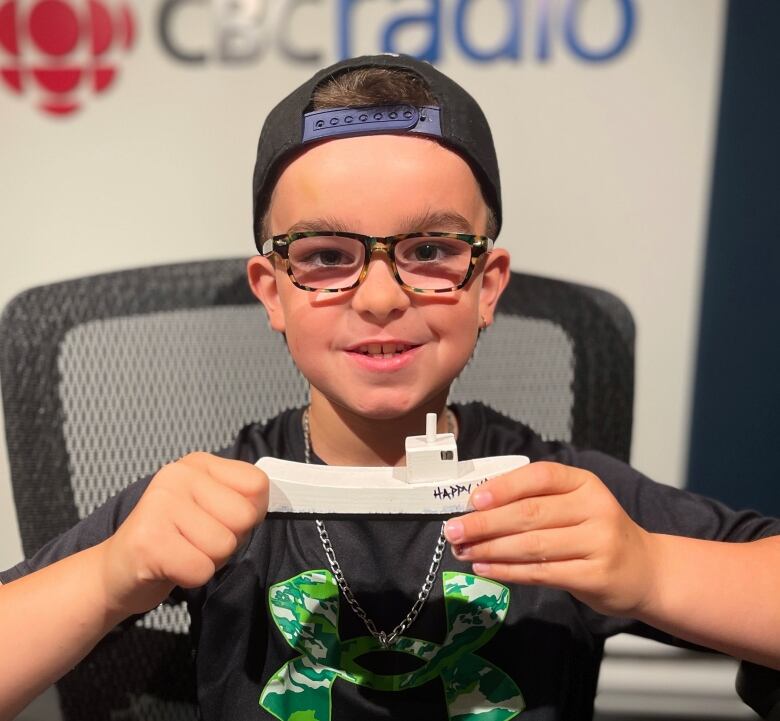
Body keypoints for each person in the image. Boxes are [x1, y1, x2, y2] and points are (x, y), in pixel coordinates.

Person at [1, 54, 779, 721]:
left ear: (487, 285)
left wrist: (650, 569)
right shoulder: (209, 500)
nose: (379, 296)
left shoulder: (554, 497)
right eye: (327, 254)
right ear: (272, 291)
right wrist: (109, 577)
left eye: (432, 248)